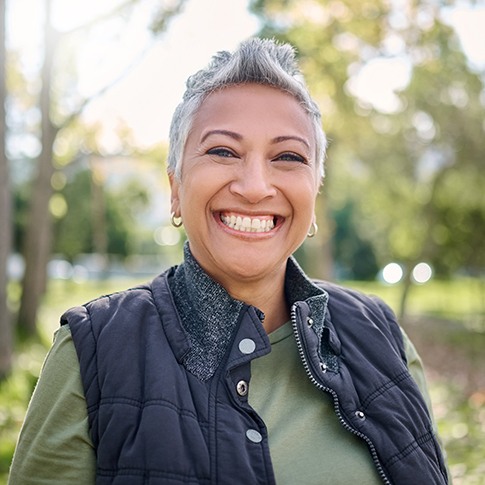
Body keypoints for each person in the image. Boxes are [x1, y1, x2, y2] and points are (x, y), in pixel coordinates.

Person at [9, 38, 449, 485]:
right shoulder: (92, 351)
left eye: (288, 157)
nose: (256, 186)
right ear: (176, 188)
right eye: (222, 151)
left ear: (314, 193)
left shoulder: (381, 333)